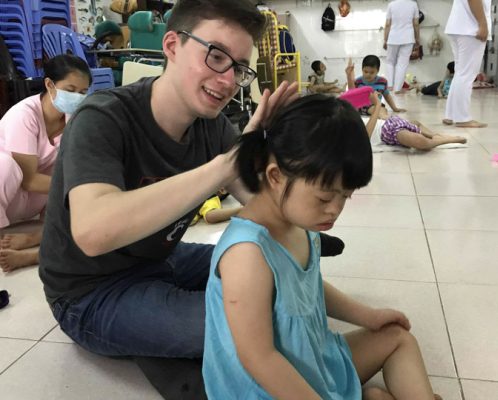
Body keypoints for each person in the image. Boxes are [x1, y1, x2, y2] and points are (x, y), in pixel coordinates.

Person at [37, 0, 302, 365]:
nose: (227, 80)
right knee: (254, 326)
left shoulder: (211, 127)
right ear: (172, 46)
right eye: (216, 56)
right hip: (90, 292)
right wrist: (223, 167)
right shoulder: (101, 116)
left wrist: (296, 170)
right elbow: (92, 231)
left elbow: (264, 205)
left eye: (239, 68)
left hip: (161, 258)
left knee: (276, 277)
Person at [203, 94, 442, 400]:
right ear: (275, 176)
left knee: (397, 338)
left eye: (346, 196)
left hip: (313, 360)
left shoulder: (301, 223)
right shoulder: (247, 254)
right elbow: (258, 359)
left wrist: (368, 316)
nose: (335, 210)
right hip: (267, 387)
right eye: (325, 197)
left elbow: (306, 288)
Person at [0, 54, 91, 273]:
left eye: (82, 92)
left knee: (81, 193)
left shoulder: (74, 119)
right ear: (49, 84)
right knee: (6, 165)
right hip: (9, 193)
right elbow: (29, 180)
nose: (77, 98)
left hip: (35, 201)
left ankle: (36, 239)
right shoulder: (24, 115)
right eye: (70, 90)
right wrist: (77, 188)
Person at [443, 0, 492, 128]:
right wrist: (483, 24)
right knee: (467, 74)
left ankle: (451, 115)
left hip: (459, 27)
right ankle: (462, 118)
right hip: (470, 29)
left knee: (460, 73)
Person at [364, 92, 467, 150]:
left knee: (415, 123)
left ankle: (435, 135)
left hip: (388, 123)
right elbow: (365, 137)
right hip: (386, 132)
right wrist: (377, 105)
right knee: (419, 141)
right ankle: (445, 139)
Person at [383, 0, 420, 94]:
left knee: (390, 61)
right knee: (402, 63)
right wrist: (417, 38)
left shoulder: (391, 4)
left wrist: (385, 39)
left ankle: (390, 85)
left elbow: (387, 24)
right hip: (408, 37)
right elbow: (416, 23)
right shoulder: (413, 4)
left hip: (393, 37)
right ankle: (397, 88)